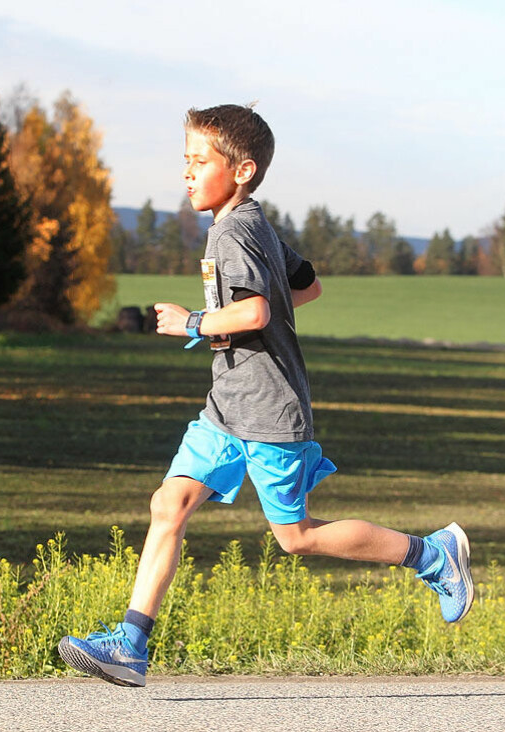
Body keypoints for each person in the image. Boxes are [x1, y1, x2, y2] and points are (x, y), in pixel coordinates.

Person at [58, 104, 473, 687]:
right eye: (186, 162)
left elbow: (256, 309)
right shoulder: (254, 224)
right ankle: (130, 644)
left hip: (269, 412)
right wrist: (242, 325)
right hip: (227, 407)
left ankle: (431, 555)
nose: (187, 174)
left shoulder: (233, 231)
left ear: (243, 170)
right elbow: (306, 286)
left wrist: (198, 323)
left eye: (200, 162)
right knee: (167, 505)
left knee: (296, 537)